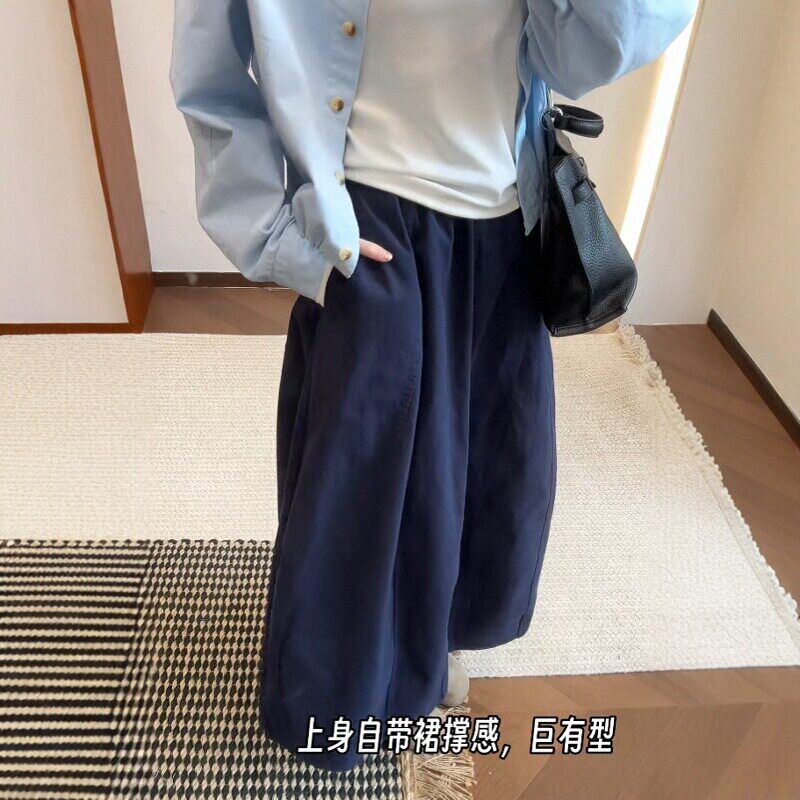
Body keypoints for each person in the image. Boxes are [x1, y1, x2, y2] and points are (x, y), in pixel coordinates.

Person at [170, 0, 696, 772]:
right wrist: (279, 238)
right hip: (368, 220)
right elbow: (208, 75)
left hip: (509, 219)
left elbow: (590, 49)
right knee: (358, 482)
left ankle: (434, 636)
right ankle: (333, 704)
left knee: (489, 464)